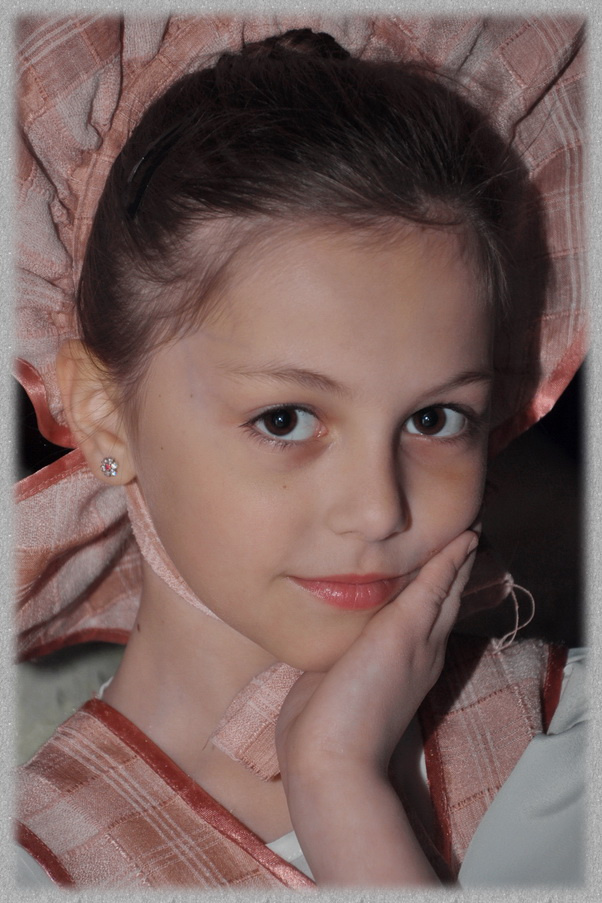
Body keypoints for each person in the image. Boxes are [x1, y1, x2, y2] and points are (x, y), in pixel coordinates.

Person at [14, 16, 585, 888]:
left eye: (435, 418)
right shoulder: (33, 868)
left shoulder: (569, 742)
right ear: (103, 416)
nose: (378, 509)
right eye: (286, 419)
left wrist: (340, 787)